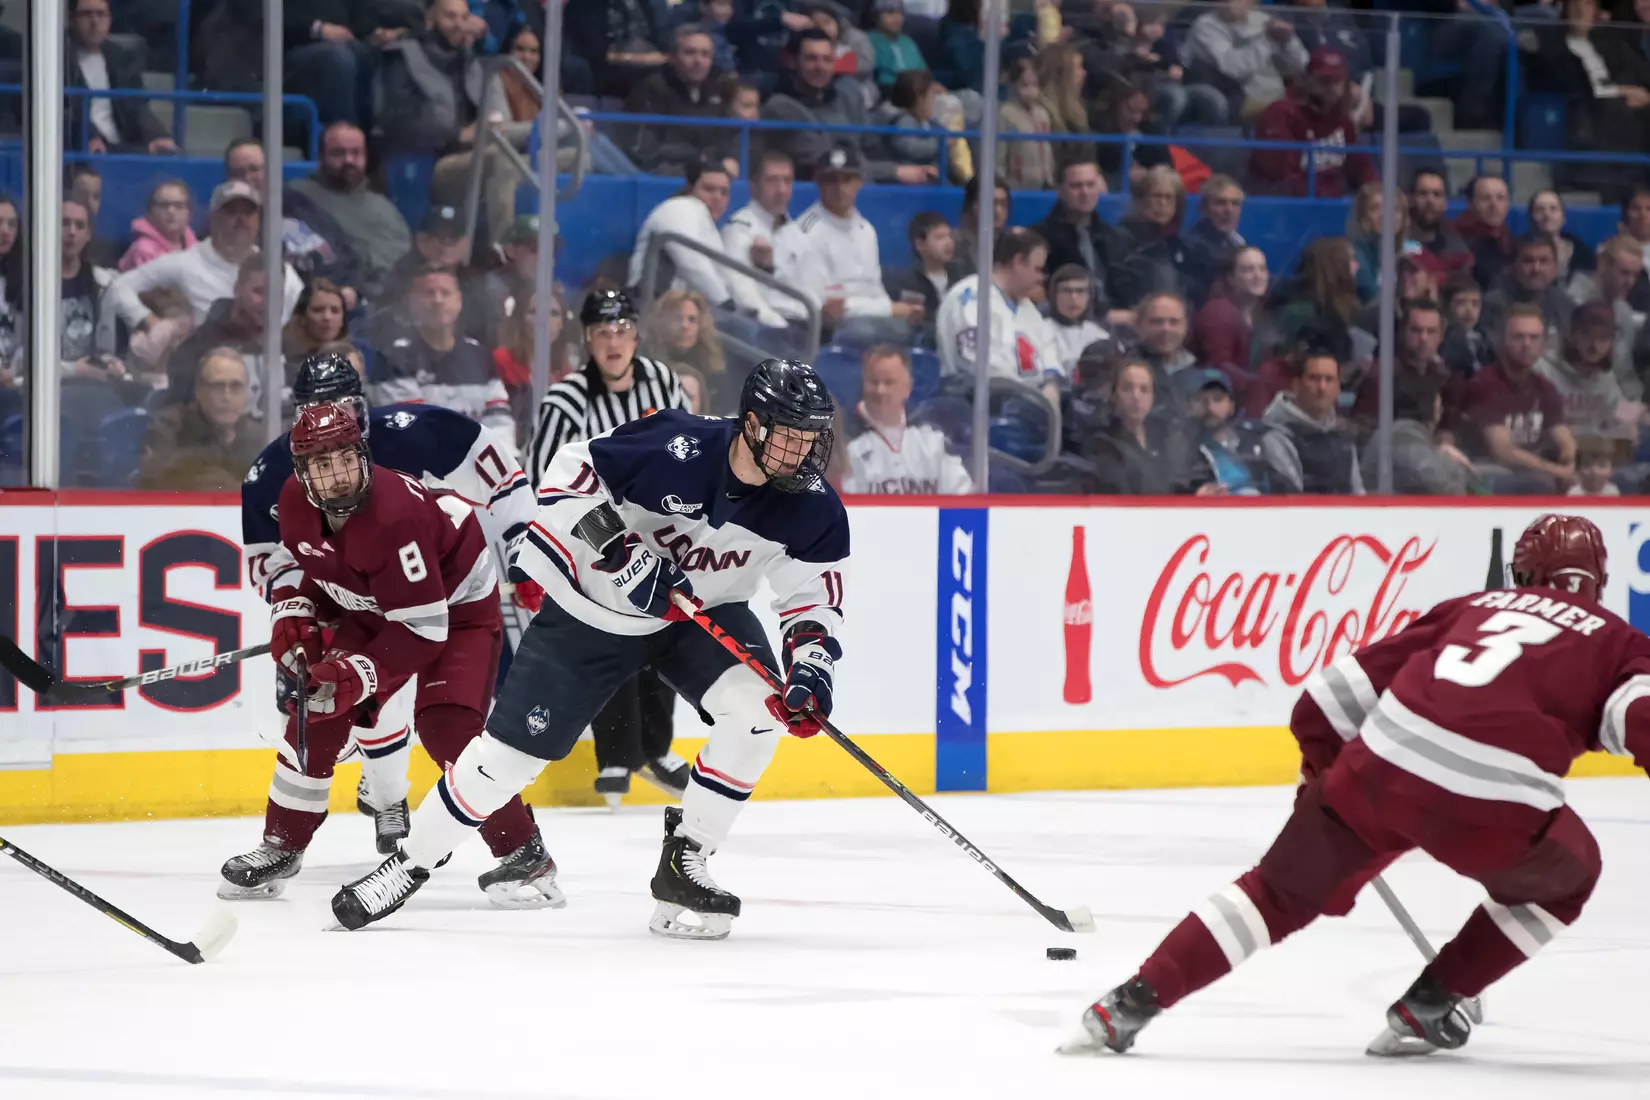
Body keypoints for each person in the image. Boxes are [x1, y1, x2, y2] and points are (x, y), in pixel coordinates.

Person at [1065, 514, 1645, 1060]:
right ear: (1597, 583)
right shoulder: (1619, 641)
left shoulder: (1469, 607)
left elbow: (1324, 701)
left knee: (1275, 892)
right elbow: (1637, 718)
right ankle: (1434, 1000)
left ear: (1521, 575)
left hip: (1380, 765)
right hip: (1496, 803)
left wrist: (1320, 784)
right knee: (1569, 878)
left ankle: (1131, 1001)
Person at [329, 359, 851, 940]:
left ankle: (686, 860)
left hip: (698, 617)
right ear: (752, 425)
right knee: (506, 761)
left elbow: (814, 601)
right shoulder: (677, 445)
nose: (803, 451)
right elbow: (565, 475)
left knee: (760, 713)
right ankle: (408, 864)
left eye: (812, 437)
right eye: (789, 434)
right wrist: (623, 556)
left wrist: (812, 671)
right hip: (593, 614)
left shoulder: (814, 508)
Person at [220, 401, 558, 910]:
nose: (337, 476)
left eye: (345, 459)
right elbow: (326, 567)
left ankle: (523, 852)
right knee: (316, 709)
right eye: (321, 465)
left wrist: (355, 672)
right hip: (381, 600)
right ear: (302, 473)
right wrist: (296, 612)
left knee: (447, 728)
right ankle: (282, 844)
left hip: (455, 603)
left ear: (362, 454)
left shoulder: (395, 515)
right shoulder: (293, 503)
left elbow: (424, 631)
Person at [379, 0, 526, 249]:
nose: (459, 25)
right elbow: (398, 121)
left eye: (463, 17)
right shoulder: (402, 56)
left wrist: (489, 124)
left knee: (574, 157)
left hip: (475, 151)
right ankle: (504, 254)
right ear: (430, 20)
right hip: (433, 161)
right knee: (504, 160)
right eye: (450, 17)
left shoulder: (468, 59)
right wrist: (457, 134)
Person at [100, 180, 303, 350]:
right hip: (202, 367)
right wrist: (149, 320)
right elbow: (119, 287)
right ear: (214, 217)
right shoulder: (184, 263)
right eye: (231, 211)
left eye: (248, 213)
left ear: (258, 220)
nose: (241, 220)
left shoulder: (284, 274)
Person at [774, 145, 921, 346]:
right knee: (881, 332)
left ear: (859, 182)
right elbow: (827, 308)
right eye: (831, 180)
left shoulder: (866, 229)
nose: (839, 188)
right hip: (827, 330)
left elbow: (874, 289)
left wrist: (899, 310)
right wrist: (889, 310)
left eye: (847, 179)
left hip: (871, 321)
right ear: (818, 183)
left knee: (920, 328)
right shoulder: (804, 232)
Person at [628, 156, 786, 329]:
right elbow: (692, 263)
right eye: (709, 189)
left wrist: (755, 311)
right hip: (649, 314)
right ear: (690, 188)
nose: (717, 198)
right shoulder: (678, 208)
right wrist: (726, 304)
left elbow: (724, 274)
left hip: (682, 315)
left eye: (724, 192)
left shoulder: (706, 224)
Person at [376, 267, 516, 442]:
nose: (438, 300)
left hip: (479, 462)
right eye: (429, 293)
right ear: (412, 303)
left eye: (445, 293)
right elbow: (412, 429)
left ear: (459, 301)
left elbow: (499, 420)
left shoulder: (480, 355)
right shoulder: (394, 357)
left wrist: (496, 460)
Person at [287, 122, 413, 303]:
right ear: (321, 157)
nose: (349, 160)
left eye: (356, 153)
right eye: (339, 153)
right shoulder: (298, 197)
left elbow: (406, 262)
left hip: (395, 303)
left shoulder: (385, 207)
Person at [1460, 305, 1576, 493]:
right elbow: (1503, 451)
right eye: (1518, 337)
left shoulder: (1544, 387)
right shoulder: (1484, 384)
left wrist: (1568, 458)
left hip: (1532, 471)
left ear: (1543, 343)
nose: (1526, 344)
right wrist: (1556, 471)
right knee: (1538, 484)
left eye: (1534, 337)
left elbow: (1564, 437)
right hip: (1486, 472)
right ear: (1503, 341)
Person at [937, 226, 1061, 386]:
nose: (1041, 278)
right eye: (1037, 269)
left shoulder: (1026, 306)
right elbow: (977, 366)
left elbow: (1049, 353)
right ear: (1018, 262)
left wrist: (1051, 385)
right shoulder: (971, 297)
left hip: (1027, 401)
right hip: (973, 401)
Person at [843, 345, 973, 494]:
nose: (880, 390)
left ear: (907, 387)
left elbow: (962, 496)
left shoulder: (932, 437)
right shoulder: (844, 438)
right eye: (873, 382)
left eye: (889, 382)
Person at [1250, 48, 1373, 199]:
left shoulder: (1341, 117)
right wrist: (1325, 199)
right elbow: (1282, 177)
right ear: (1307, 80)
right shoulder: (1282, 113)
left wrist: (1376, 192)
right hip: (1285, 207)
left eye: (1338, 80)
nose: (1332, 87)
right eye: (1324, 80)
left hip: (1329, 206)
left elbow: (1359, 166)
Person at [1082, 358, 1215, 495]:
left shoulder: (1166, 434)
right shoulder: (1102, 443)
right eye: (1127, 388)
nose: (1136, 396)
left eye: (1144, 390)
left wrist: (1199, 491)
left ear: (1153, 398)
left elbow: (1188, 476)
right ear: (1114, 395)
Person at [137, 347, 263, 490]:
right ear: (199, 391)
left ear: (246, 392)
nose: (227, 397)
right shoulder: (168, 427)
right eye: (217, 386)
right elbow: (159, 481)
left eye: (236, 386)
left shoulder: (259, 435)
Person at [168, 255, 281, 409]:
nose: (268, 303)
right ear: (237, 289)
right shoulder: (196, 352)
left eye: (277, 295)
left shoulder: (287, 344)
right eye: (259, 292)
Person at [65, 0, 177, 155]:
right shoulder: (58, 60)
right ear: (71, 19)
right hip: (81, 149)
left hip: (123, 145)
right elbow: (68, 112)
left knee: (170, 155)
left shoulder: (121, 57)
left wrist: (157, 135)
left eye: (101, 14)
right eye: (86, 14)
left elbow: (137, 106)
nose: (94, 22)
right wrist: (89, 136)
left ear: (110, 19)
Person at [622, 24, 730, 176]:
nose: (698, 60)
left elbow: (727, 137)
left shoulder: (719, 88)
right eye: (690, 53)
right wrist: (696, 156)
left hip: (704, 168)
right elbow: (646, 147)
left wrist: (717, 157)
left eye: (705, 54)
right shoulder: (653, 87)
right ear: (672, 57)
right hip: (661, 172)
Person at [722, 149, 809, 328]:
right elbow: (744, 296)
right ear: (754, 186)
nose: (781, 189)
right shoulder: (739, 229)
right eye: (772, 180)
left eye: (787, 181)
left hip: (805, 323)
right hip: (768, 327)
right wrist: (778, 326)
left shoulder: (796, 232)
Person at [1260, 346, 1365, 494]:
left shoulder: (1343, 439)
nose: (1322, 388)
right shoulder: (1277, 438)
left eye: (1329, 380)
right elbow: (1291, 502)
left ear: (1337, 389)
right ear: (1296, 385)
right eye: (1314, 379)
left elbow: (1359, 496)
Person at [1536, 300, 1639, 450]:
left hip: (1592, 458)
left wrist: (1631, 422)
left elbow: (1618, 411)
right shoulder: (1543, 370)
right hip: (1549, 456)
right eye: (1587, 335)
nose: (1595, 345)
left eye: (1603, 338)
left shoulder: (1605, 376)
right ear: (1572, 334)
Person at [1362, 370, 1476, 495]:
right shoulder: (1403, 436)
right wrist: (1454, 464)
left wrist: (1439, 452)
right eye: (1439, 403)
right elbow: (1444, 491)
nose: (1441, 409)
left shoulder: (1400, 435)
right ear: (1432, 407)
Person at [1185, 0, 1308, 115]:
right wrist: (1267, 40)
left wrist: (1288, 43)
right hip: (1237, 103)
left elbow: (1299, 66)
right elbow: (1234, 67)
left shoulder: (1265, 21)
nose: (1230, 3)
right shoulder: (1205, 25)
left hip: (1278, 100)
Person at [1032, 158, 1123, 313]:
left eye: (1090, 185)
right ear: (1060, 190)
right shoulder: (1038, 238)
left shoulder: (1114, 236)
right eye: (1076, 186)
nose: (1085, 193)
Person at [1111, 165, 1192, 308]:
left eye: (1168, 197)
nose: (1162, 204)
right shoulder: (1121, 237)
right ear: (1141, 200)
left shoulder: (1177, 244)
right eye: (1156, 196)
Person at [641, 290, 731, 413]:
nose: (685, 326)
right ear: (661, 321)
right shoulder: (643, 359)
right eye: (677, 318)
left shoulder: (712, 371)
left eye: (692, 320)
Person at [1192, 245, 1270, 386]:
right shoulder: (1218, 312)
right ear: (1231, 278)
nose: (1258, 275)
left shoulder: (1261, 312)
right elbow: (1219, 365)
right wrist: (1258, 385)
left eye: (1262, 269)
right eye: (1248, 270)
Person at [883, 211, 964, 347]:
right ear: (920, 244)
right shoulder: (905, 282)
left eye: (949, 236)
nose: (948, 243)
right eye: (939, 237)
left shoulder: (960, 278)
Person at [1481, 236, 1575, 349]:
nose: (1536, 269)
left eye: (1544, 261)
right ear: (1512, 267)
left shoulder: (1565, 305)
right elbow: (1499, 350)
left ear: (1555, 269)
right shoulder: (1492, 305)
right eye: (1528, 261)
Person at [1188, 369, 1272, 495]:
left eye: (1218, 399)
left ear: (1231, 405)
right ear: (1189, 406)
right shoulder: (1182, 450)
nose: (1210, 407)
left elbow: (1278, 485)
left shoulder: (1254, 441)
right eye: (1201, 400)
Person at [59, 194, 113, 368]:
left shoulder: (104, 283)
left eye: (80, 225)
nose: (72, 232)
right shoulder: (27, 282)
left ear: (89, 234)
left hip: (89, 385)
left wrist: (110, 363)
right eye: (64, 223)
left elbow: (106, 351)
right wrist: (73, 370)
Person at [1181, 174, 1246, 306]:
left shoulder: (1237, 241)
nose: (1229, 210)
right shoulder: (1191, 245)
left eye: (1235, 203)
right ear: (1204, 209)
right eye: (1221, 203)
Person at [996, 57, 1055, 191]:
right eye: (1024, 85)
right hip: (1016, 185)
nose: (1031, 90)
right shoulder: (1004, 114)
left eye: (1035, 84)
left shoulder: (1042, 114)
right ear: (1013, 84)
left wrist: (1050, 177)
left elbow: (1047, 148)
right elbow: (999, 155)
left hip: (1043, 182)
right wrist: (1000, 184)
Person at [119, 181, 197, 273]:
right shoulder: (144, 250)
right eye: (163, 205)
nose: (171, 211)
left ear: (189, 211)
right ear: (151, 211)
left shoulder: (193, 243)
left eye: (178, 205)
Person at [1526, 190, 1595, 293]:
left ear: (1563, 217)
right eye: (1540, 210)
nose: (1547, 215)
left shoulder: (1582, 253)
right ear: (1531, 217)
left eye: (1553, 209)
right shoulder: (1518, 249)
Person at [1455, 176, 1515, 293]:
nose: (1494, 205)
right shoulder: (1454, 240)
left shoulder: (1514, 244)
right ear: (1470, 204)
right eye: (1485, 198)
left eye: (1500, 198)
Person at [1047, 264, 1110, 375]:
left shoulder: (1100, 336)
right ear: (1053, 295)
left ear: (1089, 296)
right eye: (1066, 291)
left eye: (1080, 291)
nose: (1073, 297)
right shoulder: (1039, 330)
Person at [1409, 169, 1470, 262]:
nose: (1430, 200)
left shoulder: (1457, 244)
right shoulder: (1396, 238)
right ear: (1411, 199)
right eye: (1423, 193)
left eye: (1437, 194)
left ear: (1445, 202)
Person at [283, 279, 349, 363]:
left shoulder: (352, 358)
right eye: (318, 310)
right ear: (303, 317)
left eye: (335, 311)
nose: (327, 317)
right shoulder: (282, 357)